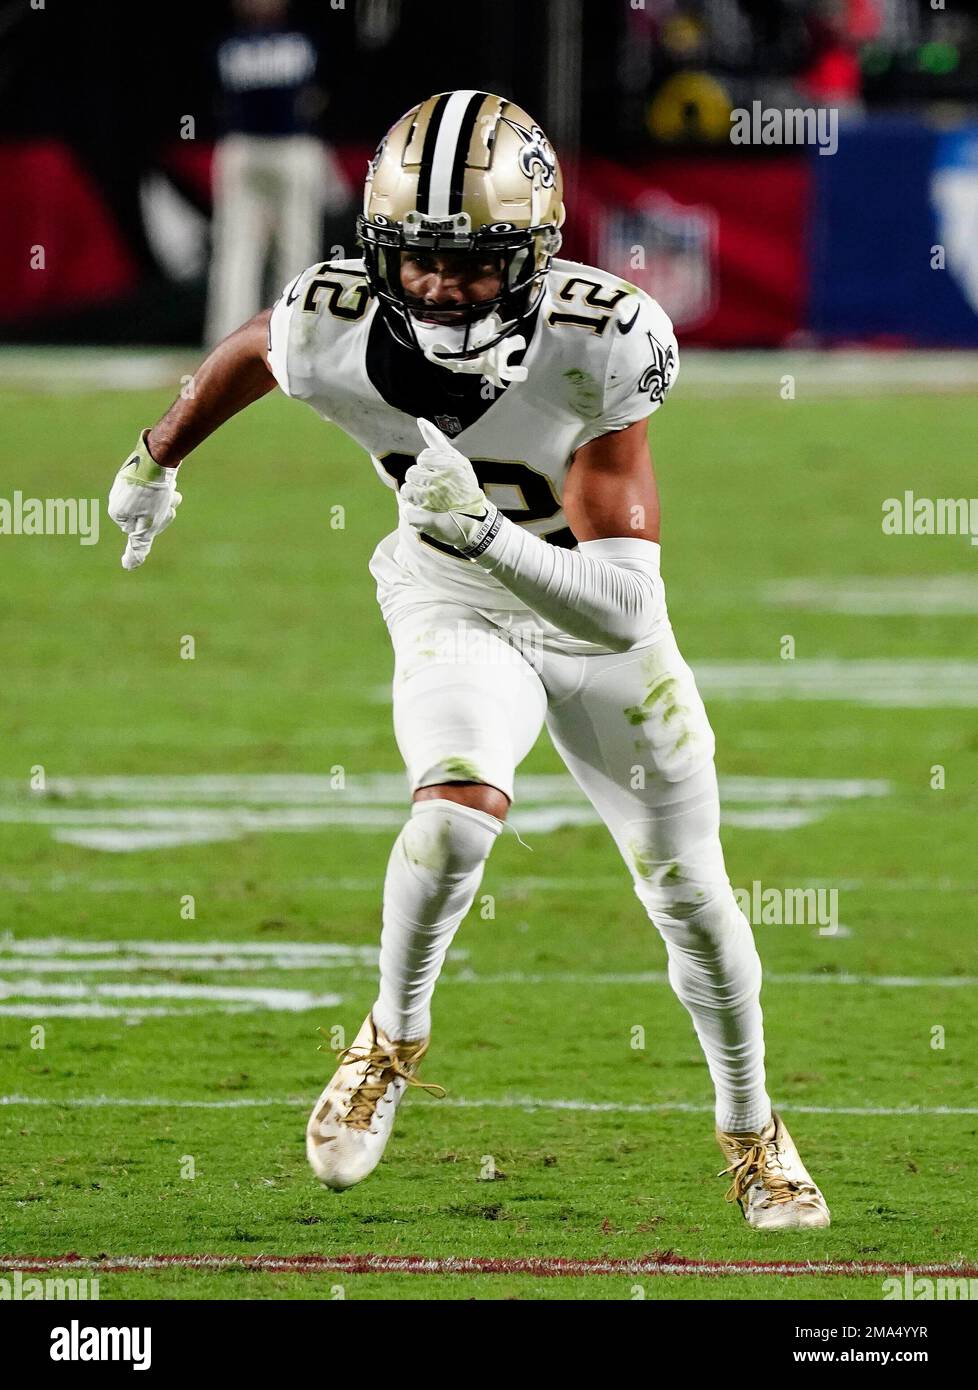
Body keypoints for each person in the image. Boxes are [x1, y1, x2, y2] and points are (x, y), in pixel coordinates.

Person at [107, 90, 830, 1230]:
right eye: (421, 258)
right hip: (448, 592)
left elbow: (620, 609)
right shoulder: (333, 322)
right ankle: (390, 1039)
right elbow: (257, 349)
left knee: (693, 895)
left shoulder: (605, 341)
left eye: (474, 262)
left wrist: (491, 532)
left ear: (538, 255)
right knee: (452, 815)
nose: (442, 287)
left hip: (586, 608)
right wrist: (156, 456)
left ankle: (751, 1129)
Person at [204, 0, 348, 346]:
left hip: (291, 148)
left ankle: (293, 337)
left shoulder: (299, 39)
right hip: (249, 147)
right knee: (238, 249)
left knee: (296, 247)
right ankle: (228, 344)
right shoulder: (234, 43)